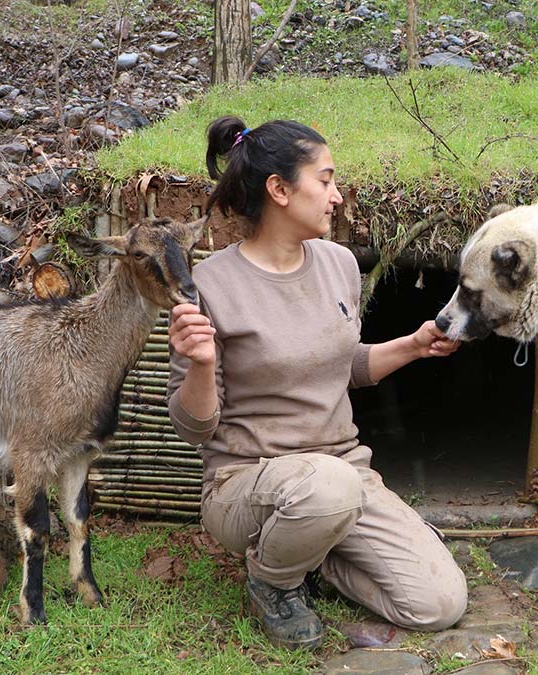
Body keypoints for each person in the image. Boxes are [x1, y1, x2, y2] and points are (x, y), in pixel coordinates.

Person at [166, 116, 468, 650]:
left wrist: (415, 345)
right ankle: (273, 581)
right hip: (244, 481)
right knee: (328, 487)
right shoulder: (209, 285)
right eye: (325, 180)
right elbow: (195, 427)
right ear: (279, 189)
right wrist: (202, 364)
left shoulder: (340, 264)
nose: (336, 195)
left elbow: (341, 365)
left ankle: (315, 554)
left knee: (438, 604)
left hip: (343, 475)